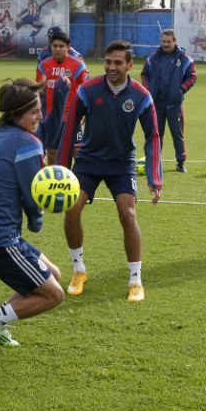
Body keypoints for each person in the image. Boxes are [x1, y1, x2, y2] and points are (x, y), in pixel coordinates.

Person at [0, 78, 66, 358]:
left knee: (53, 275)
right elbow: (31, 196)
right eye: (34, 112)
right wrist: (39, 219)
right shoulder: (28, 145)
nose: (39, 116)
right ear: (16, 114)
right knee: (54, 295)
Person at [57, 40, 163, 302]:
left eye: (118, 63)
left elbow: (153, 137)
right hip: (88, 161)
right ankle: (79, 270)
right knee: (72, 208)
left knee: (128, 213)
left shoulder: (141, 96)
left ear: (129, 64)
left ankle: (135, 279)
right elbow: (70, 128)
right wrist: (61, 170)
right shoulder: (88, 90)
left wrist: (154, 177)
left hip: (121, 163)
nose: (111, 67)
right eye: (108, 62)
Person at [140, 29, 197, 172]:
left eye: (169, 42)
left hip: (174, 104)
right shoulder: (152, 59)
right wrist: (148, 90)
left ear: (174, 41)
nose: (166, 44)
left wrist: (181, 90)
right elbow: (144, 75)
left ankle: (180, 162)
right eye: (164, 41)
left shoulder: (184, 59)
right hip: (156, 103)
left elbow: (192, 76)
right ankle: (155, 163)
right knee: (156, 134)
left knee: (177, 134)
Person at [37, 31, 88, 166]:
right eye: (54, 46)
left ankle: (77, 182)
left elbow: (86, 91)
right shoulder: (43, 66)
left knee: (77, 152)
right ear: (50, 47)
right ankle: (54, 182)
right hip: (52, 119)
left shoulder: (78, 66)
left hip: (73, 116)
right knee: (52, 152)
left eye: (61, 46)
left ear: (68, 47)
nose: (58, 49)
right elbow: (39, 90)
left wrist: (85, 113)